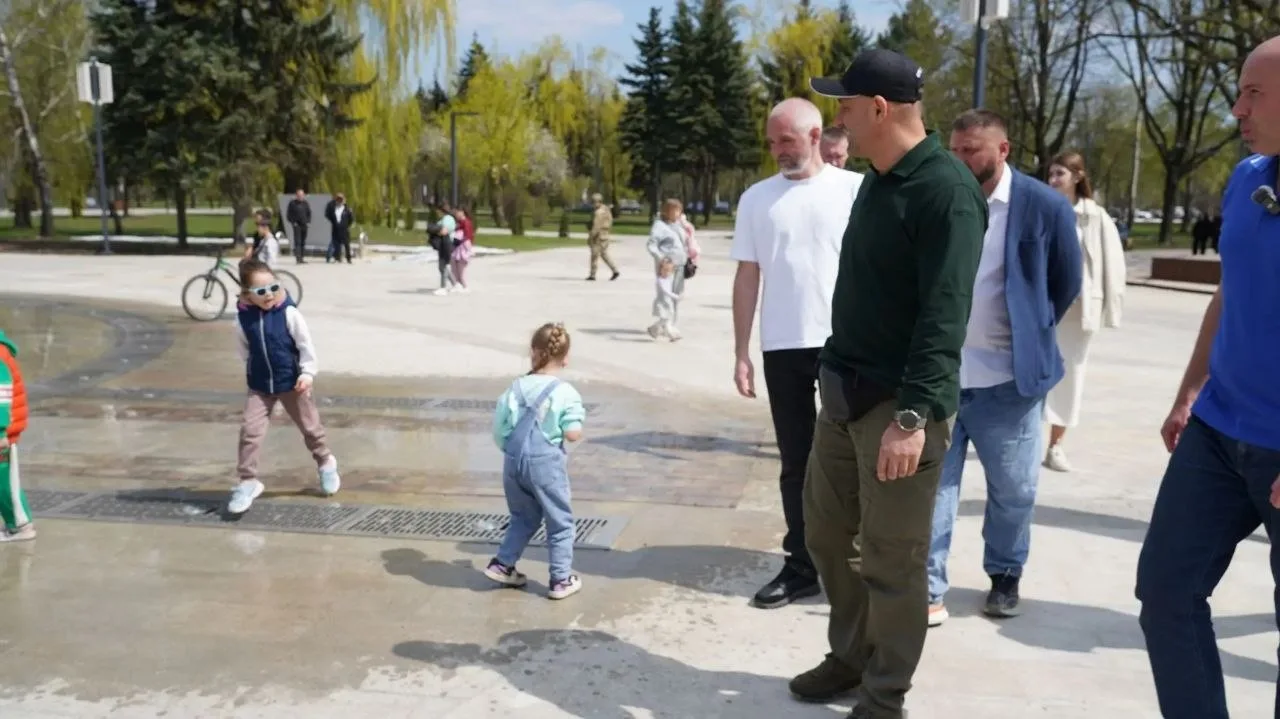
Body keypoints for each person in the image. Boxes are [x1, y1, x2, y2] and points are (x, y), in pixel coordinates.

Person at [796, 49, 985, 718]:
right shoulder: (877, 178)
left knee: (892, 557)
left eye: (845, 106)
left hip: (899, 407)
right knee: (827, 536)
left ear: (879, 109)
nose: (838, 118)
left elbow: (945, 316)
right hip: (843, 395)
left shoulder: (945, 192)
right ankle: (852, 656)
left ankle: (885, 694)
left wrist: (912, 419)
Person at [1135, 35, 1280, 719]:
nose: (1237, 108)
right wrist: (1189, 390)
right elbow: (1230, 289)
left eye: (1254, 93)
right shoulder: (1248, 177)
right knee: (1165, 592)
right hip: (1217, 432)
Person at [927, 110, 1082, 626]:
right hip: (942, 377)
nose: (960, 160)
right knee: (933, 490)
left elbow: (1064, 283)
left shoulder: (1043, 205)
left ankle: (1005, 574)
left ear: (1003, 150)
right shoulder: (942, 197)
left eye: (971, 150)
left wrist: (1030, 330)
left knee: (1014, 491)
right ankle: (928, 586)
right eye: (954, 150)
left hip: (1009, 384)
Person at [730, 97, 863, 609]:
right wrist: (741, 351)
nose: (777, 150)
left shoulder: (855, 190)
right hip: (782, 345)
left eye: (785, 140)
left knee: (852, 458)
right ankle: (802, 564)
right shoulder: (756, 199)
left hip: (845, 343)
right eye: (771, 142)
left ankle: (853, 562)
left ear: (814, 136)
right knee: (795, 461)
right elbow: (748, 276)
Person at [483, 322, 587, 600]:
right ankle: (560, 579)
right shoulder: (565, 392)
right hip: (546, 465)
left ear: (533, 352)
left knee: (523, 517)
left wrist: (512, 451)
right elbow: (572, 433)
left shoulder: (514, 388)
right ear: (565, 358)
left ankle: (503, 564)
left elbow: (499, 430)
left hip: (513, 462)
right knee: (560, 521)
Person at [228, 259, 341, 515]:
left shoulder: (289, 313)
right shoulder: (243, 319)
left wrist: (307, 373)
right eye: (261, 291)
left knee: (310, 428)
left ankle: (325, 461)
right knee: (250, 431)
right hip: (260, 385)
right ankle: (247, 481)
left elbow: (305, 345)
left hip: (292, 382)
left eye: (273, 287)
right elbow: (243, 350)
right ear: (248, 294)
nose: (269, 294)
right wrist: (253, 370)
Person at [1042, 151, 1127, 472]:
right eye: (1051, 173)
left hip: (1078, 311)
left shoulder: (1095, 216)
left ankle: (1055, 445)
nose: (1053, 180)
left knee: (1070, 376)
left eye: (1059, 174)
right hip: (1043, 307)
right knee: (1030, 373)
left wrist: (1110, 309)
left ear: (1077, 177)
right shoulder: (1041, 208)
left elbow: (1113, 264)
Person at [0, 330, 34, 542]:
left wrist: (1, 430)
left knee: (3, 479)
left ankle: (20, 525)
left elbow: (1, 395)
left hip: (3, 429)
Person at [646, 199, 691, 326]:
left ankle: (668, 323)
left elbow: (686, 241)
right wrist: (661, 258)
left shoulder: (679, 225)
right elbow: (651, 244)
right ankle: (665, 322)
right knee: (665, 294)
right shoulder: (659, 226)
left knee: (676, 294)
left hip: (679, 264)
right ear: (667, 211)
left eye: (679, 210)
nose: (678, 213)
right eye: (675, 210)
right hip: (666, 266)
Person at [586, 193, 620, 281]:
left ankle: (592, 275)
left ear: (598, 202)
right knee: (604, 254)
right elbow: (610, 221)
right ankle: (615, 270)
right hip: (605, 235)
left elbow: (596, 227)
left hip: (598, 236)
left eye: (594, 202)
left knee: (594, 255)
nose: (592, 204)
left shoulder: (598, 213)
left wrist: (590, 237)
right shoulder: (606, 209)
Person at [648, 257, 682, 341]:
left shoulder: (669, 278)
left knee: (667, 320)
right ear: (660, 270)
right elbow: (666, 291)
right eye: (665, 270)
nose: (667, 272)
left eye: (669, 271)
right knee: (664, 319)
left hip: (668, 303)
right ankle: (656, 329)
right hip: (661, 303)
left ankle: (658, 331)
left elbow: (674, 272)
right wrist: (676, 296)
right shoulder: (660, 280)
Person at [430, 207, 458, 296]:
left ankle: (443, 287)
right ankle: (455, 284)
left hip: (446, 244)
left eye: (438, 211)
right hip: (444, 244)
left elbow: (444, 231)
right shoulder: (446, 219)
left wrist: (435, 231)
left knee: (443, 265)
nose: (437, 213)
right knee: (443, 266)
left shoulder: (447, 219)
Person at [324, 192, 355, 264]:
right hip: (336, 229)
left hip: (344, 229)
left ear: (343, 200)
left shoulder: (347, 209)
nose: (339, 201)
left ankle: (348, 258)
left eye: (341, 199)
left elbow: (351, 219)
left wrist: (347, 225)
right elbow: (328, 215)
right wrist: (334, 222)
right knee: (336, 244)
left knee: (346, 244)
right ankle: (337, 258)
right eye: (338, 199)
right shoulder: (333, 208)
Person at [451, 207, 475, 292]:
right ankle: (457, 285)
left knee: (460, 269)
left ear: (462, 212)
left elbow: (468, 236)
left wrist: (460, 241)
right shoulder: (459, 222)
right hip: (457, 247)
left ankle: (465, 286)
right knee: (454, 267)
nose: (456, 214)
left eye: (458, 212)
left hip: (463, 247)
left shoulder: (466, 222)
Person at [286, 189, 311, 264]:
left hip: (304, 225)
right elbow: (289, 215)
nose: (300, 196)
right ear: (296, 195)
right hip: (297, 225)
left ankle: (302, 258)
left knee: (303, 241)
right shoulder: (292, 203)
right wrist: (293, 222)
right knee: (298, 242)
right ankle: (298, 258)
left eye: (302, 195)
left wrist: (308, 222)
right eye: (299, 195)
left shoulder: (305, 203)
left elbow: (309, 213)